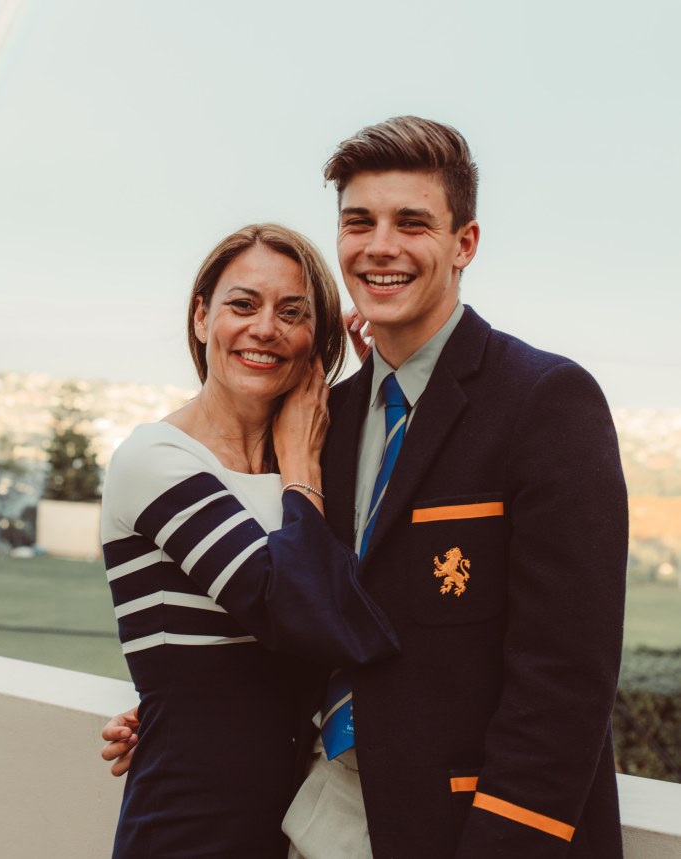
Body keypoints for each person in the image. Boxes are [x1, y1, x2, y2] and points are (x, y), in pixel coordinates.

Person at [104, 118, 629, 859]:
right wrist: (174, 705)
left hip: (468, 833)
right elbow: (308, 612)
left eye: (411, 222)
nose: (380, 246)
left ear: (465, 243)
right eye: (359, 222)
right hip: (319, 824)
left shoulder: (544, 402)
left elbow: (566, 682)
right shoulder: (327, 423)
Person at [100, 222, 399, 859]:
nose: (265, 328)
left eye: (292, 313)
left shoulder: (318, 468)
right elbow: (295, 611)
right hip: (189, 825)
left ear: (316, 339)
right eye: (243, 304)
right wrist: (301, 469)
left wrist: (380, 391)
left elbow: (368, 610)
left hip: (301, 822)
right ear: (201, 317)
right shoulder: (158, 459)